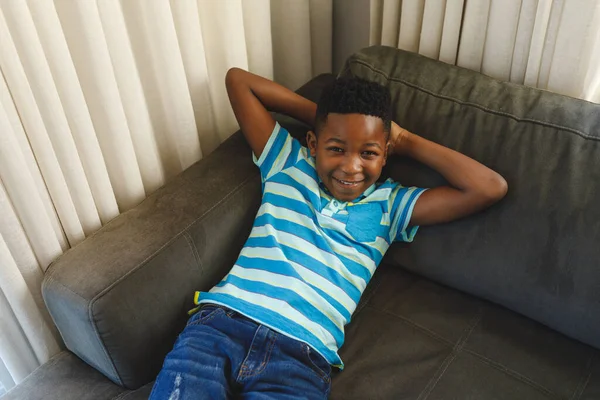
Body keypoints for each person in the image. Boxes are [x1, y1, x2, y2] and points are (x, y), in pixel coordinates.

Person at [149, 69, 508, 400]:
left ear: (385, 156)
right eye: (336, 148)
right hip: (221, 327)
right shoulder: (287, 164)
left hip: (299, 359)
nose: (351, 166)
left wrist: (405, 139)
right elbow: (238, 81)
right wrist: (324, 120)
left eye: (369, 153)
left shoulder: (392, 205)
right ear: (313, 144)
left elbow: (489, 187)